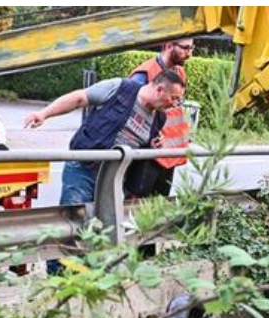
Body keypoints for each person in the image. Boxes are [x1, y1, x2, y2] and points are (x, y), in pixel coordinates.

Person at [24, 70, 186, 205]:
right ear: (159, 90)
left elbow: (140, 150)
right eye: (174, 98)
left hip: (114, 179)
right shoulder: (120, 88)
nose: (174, 104)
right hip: (84, 168)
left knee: (104, 231)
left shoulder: (160, 118)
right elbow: (79, 98)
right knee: (76, 222)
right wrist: (44, 113)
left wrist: (152, 147)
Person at [127, 38, 195, 196]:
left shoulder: (179, 72)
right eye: (185, 48)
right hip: (148, 154)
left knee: (160, 204)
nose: (189, 54)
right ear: (169, 46)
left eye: (192, 48)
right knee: (138, 205)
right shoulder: (144, 74)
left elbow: (176, 110)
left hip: (169, 154)